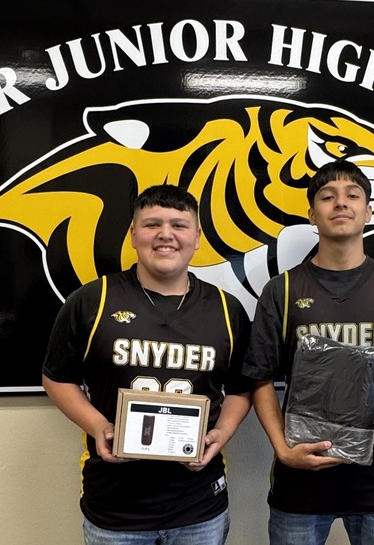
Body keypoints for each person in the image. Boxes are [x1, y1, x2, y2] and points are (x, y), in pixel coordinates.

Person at [42, 184, 252, 545]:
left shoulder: (227, 309)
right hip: (115, 505)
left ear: (198, 237)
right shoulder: (92, 300)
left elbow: (240, 386)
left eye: (179, 225)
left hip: (198, 504)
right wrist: (98, 425)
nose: (166, 235)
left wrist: (224, 432)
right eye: (152, 224)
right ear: (133, 235)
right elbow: (57, 378)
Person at [243, 160, 374, 545]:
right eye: (328, 197)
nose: (340, 203)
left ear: (369, 212)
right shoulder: (282, 291)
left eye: (352, 196)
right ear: (312, 214)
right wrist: (282, 450)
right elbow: (260, 379)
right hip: (302, 479)